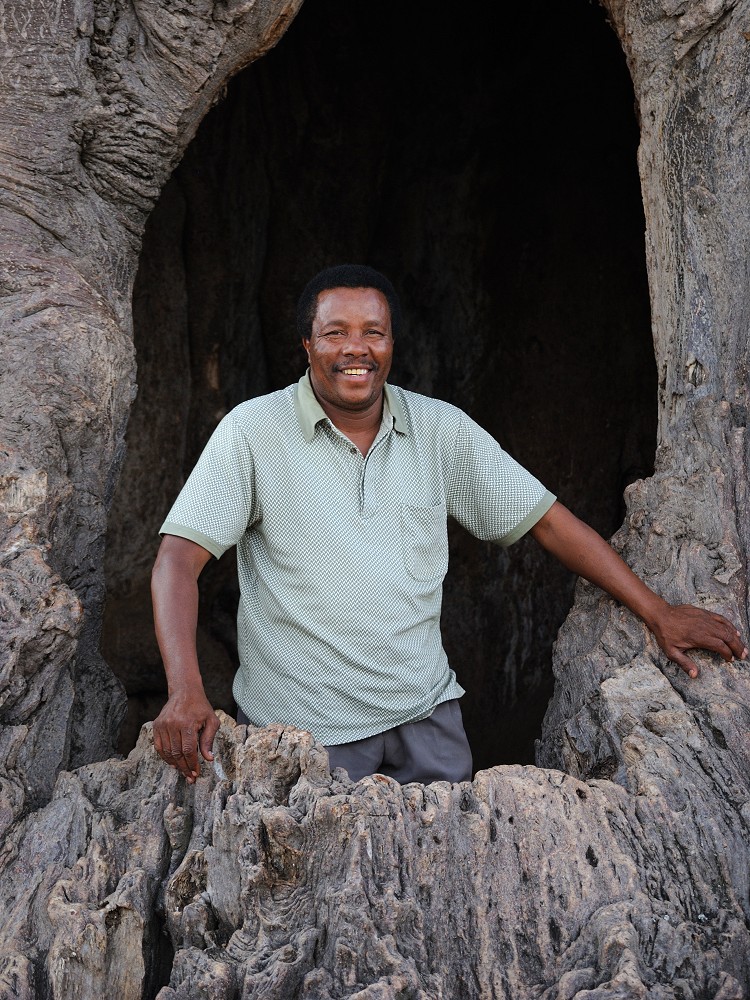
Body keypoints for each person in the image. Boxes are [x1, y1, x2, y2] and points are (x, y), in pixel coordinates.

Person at [151, 264, 746, 785]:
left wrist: (657, 611)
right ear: (306, 343)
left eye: (373, 333)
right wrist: (184, 688)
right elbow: (178, 559)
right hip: (301, 734)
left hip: (427, 720)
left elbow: (547, 521)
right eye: (335, 333)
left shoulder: (440, 431)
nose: (355, 348)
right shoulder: (252, 433)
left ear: (392, 344)